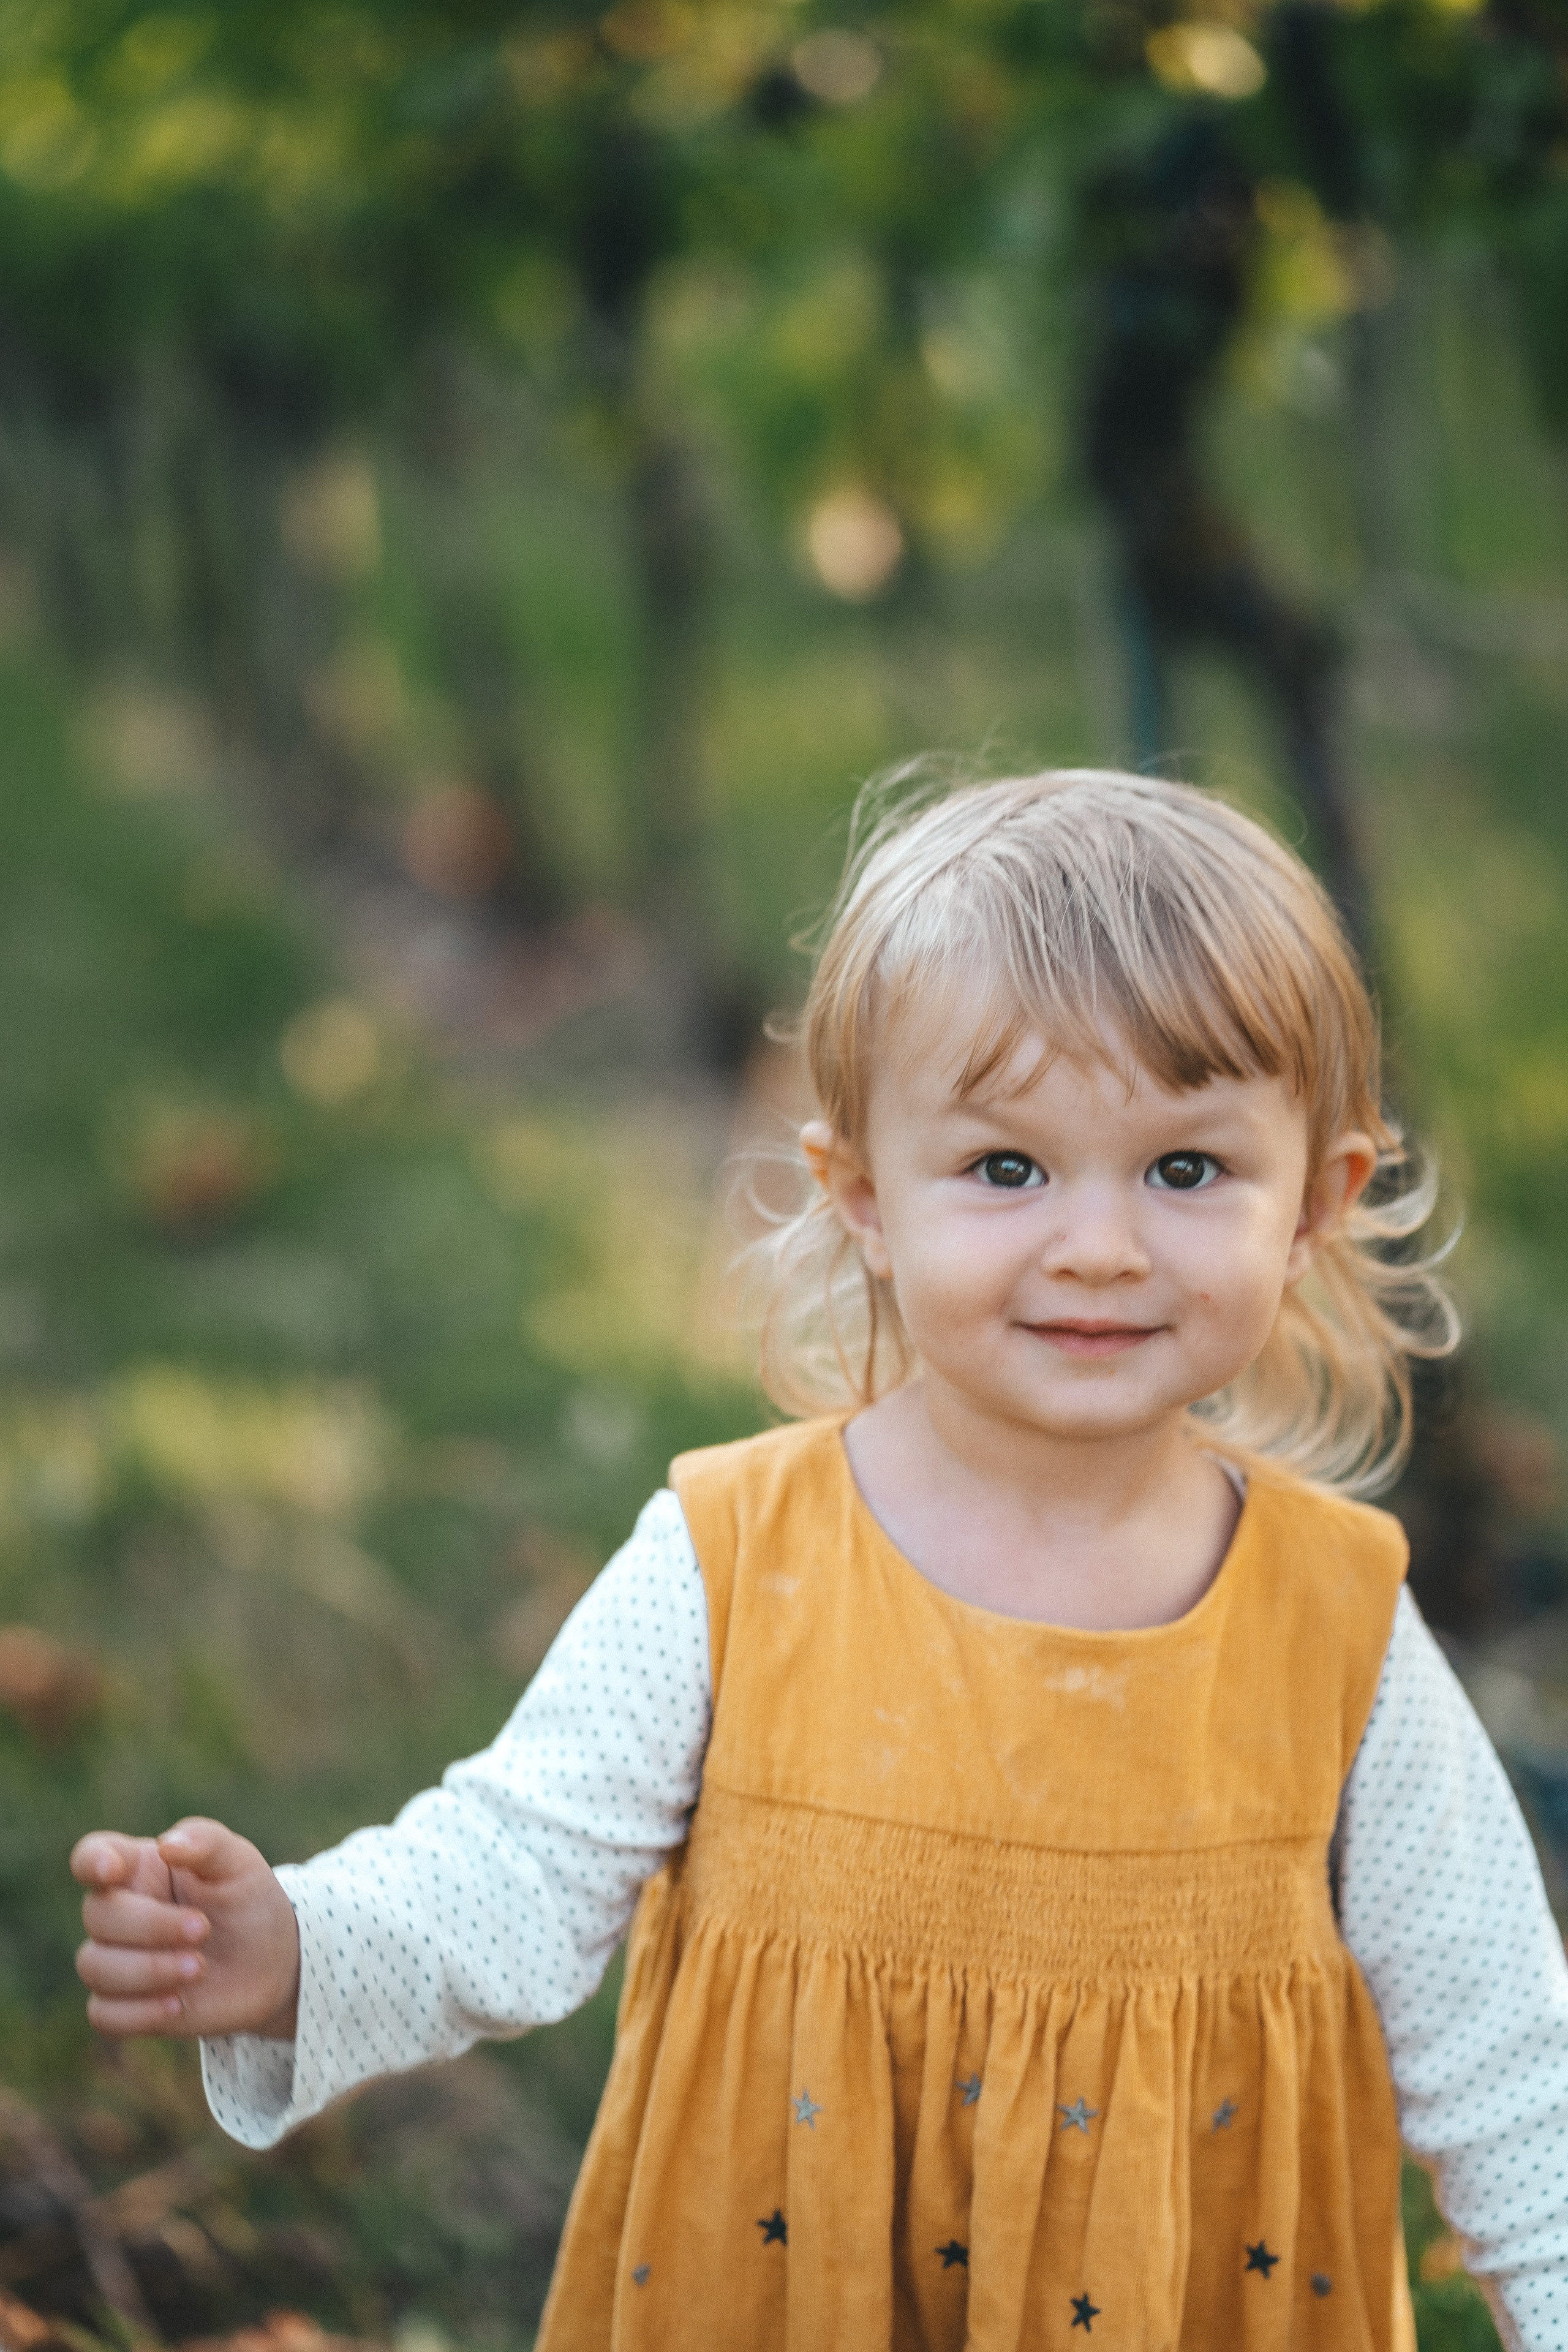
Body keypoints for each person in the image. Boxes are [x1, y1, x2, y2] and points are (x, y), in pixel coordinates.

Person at [72, 771, 1568, 2350]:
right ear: (860, 1191)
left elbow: (1503, 2046)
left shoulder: (1333, 1632)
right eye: (1008, 1169)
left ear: (1319, 1202)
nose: (1101, 1245)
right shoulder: (735, 1564)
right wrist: (302, 1945)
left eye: (1186, 1171)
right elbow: (519, 1864)